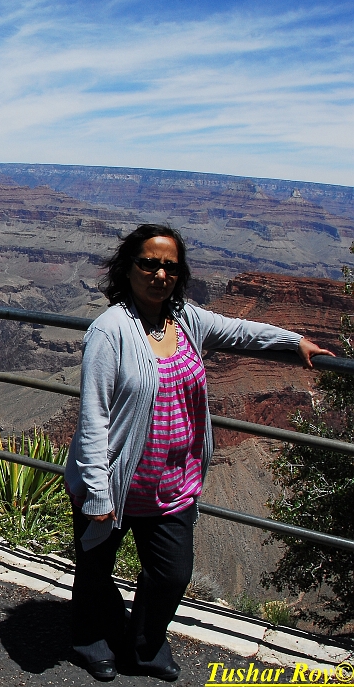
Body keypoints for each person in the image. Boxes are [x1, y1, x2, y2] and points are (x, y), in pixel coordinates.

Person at [64, 224, 333, 682]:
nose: (160, 275)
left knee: (171, 574)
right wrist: (97, 493)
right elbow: (93, 419)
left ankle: (144, 645)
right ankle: (92, 640)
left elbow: (241, 332)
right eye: (149, 263)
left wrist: (293, 342)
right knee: (95, 570)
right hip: (114, 482)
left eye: (170, 267)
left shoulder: (186, 319)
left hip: (174, 484)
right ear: (128, 269)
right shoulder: (110, 331)